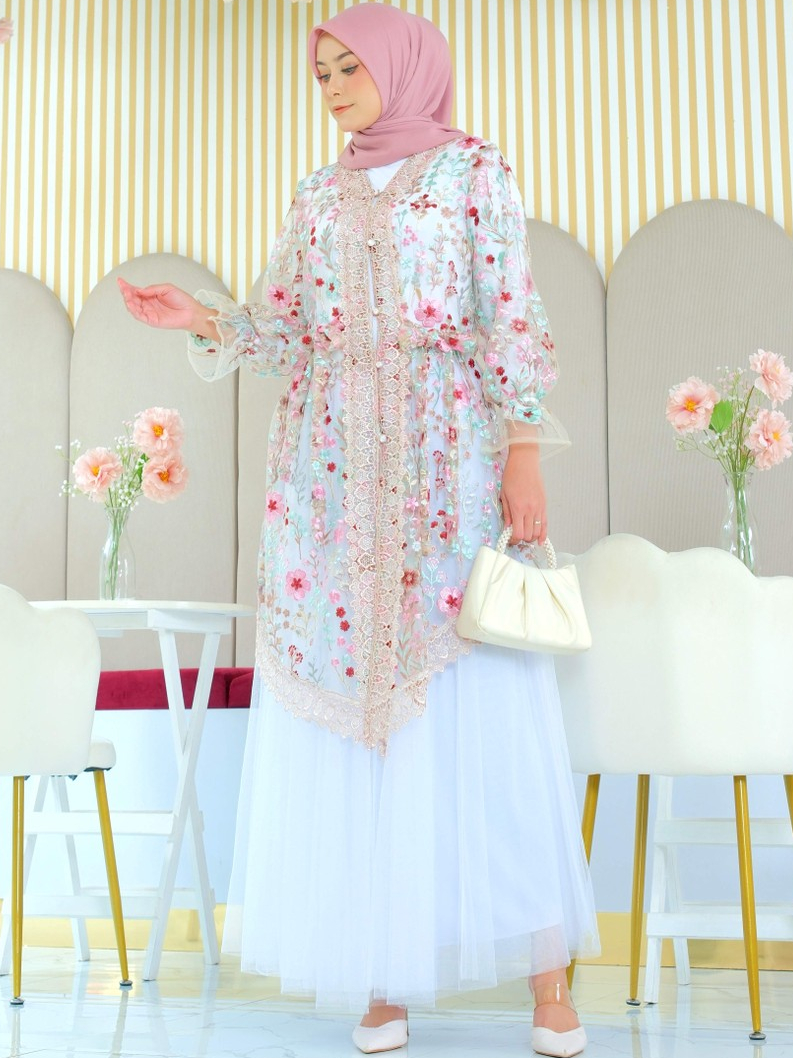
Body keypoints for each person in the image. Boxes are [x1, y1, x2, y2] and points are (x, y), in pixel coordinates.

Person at [119, 5, 599, 1055]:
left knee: (474, 694)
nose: (334, 87)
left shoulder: (472, 172)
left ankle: (547, 978)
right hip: (329, 475)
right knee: (359, 715)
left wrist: (522, 447)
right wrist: (201, 316)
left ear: (404, 67)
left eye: (350, 68)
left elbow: (508, 313)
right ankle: (384, 979)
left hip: (448, 459)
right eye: (323, 72)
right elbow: (285, 326)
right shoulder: (317, 193)